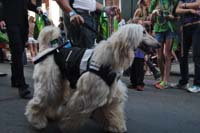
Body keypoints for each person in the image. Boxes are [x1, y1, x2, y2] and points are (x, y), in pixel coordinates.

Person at [0, 0, 41, 99]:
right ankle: (22, 86)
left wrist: (37, 8)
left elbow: (26, 3)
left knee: (18, 51)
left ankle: (15, 79)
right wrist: (0, 19)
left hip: (23, 23)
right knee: (17, 50)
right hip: (10, 21)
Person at [149, 0, 177, 89]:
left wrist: (169, 16)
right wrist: (154, 13)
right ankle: (162, 78)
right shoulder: (155, 1)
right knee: (159, 57)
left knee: (167, 55)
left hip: (170, 29)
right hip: (158, 30)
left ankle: (165, 80)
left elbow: (177, 17)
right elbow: (150, 16)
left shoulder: (174, 1)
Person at [174, 0, 200, 93]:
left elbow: (198, 4)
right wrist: (189, 10)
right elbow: (177, 10)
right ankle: (184, 82)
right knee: (182, 55)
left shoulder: (183, 2)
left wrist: (184, 5)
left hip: (197, 25)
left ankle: (197, 84)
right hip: (185, 27)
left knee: (197, 55)